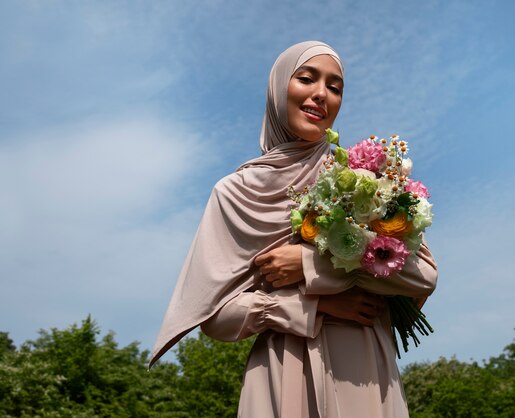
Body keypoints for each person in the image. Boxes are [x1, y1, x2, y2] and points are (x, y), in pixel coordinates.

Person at [150, 41, 438, 418]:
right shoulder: (234, 193)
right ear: (279, 89)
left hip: (365, 368)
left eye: (335, 87)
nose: (321, 94)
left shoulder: (362, 180)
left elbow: (423, 277)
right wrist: (313, 305)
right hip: (283, 368)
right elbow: (217, 318)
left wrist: (307, 264)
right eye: (306, 79)